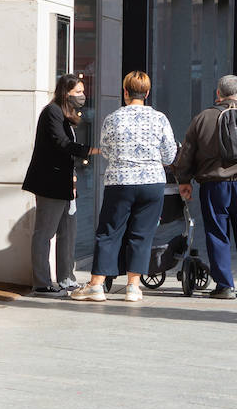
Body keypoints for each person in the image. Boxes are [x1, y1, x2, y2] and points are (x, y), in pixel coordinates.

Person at [70, 71, 178, 304]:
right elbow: (169, 155)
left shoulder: (113, 118)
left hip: (120, 182)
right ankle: (133, 287)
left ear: (125, 92)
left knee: (109, 232)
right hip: (152, 182)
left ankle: (96, 285)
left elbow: (107, 151)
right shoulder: (160, 119)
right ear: (147, 93)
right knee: (141, 234)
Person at [172, 74, 237, 300]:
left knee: (217, 234)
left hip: (214, 185)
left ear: (218, 94)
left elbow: (187, 152)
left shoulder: (203, 118)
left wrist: (184, 180)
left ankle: (225, 286)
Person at [21, 74, 89, 295]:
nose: (82, 96)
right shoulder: (52, 112)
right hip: (50, 184)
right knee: (45, 233)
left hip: (65, 185)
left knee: (68, 232)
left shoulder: (65, 115)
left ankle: (67, 278)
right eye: (77, 92)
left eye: (82, 91)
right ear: (65, 93)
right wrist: (88, 150)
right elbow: (62, 144)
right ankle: (41, 282)